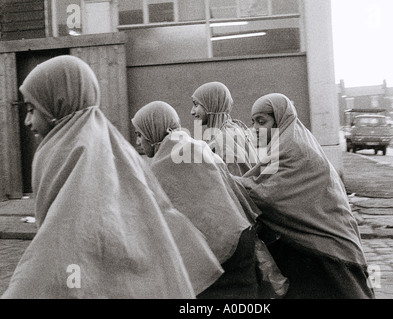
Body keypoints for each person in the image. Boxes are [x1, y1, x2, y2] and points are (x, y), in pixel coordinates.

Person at [1, 55, 223, 299]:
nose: (27, 121)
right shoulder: (109, 142)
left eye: (32, 110)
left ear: (58, 103)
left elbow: (62, 241)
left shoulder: (70, 152)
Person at [234, 93, 376, 299]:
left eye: (261, 121)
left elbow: (268, 196)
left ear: (280, 120)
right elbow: (259, 184)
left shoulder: (292, 148)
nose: (255, 128)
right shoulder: (286, 143)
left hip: (325, 243)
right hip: (308, 245)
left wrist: (224, 180)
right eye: (253, 121)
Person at [132, 101, 264, 299]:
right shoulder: (197, 145)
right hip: (241, 239)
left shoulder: (163, 164)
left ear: (153, 131)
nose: (137, 142)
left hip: (216, 254)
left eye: (140, 134)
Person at [191, 81, 258, 176]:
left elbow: (233, 181)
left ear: (211, 104)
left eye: (196, 104)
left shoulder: (226, 139)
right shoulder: (231, 130)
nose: (192, 111)